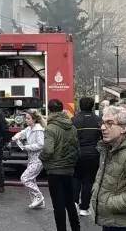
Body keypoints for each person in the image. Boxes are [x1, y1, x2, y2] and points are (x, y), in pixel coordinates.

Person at [41, 99, 81, 231]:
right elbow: (76, 147)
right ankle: (76, 228)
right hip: (69, 168)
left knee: (58, 205)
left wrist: (41, 158)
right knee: (70, 202)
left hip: (55, 170)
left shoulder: (50, 128)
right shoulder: (72, 127)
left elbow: (48, 150)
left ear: (49, 110)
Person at [72, 96, 102, 217]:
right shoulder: (99, 120)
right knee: (88, 181)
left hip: (76, 154)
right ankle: (84, 208)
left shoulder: (73, 120)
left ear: (79, 106)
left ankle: (73, 203)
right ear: (93, 106)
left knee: (75, 178)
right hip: (93, 154)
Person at [11, 109, 46, 209]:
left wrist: (27, 147)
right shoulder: (29, 128)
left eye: (28, 118)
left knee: (25, 178)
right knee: (31, 179)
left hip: (38, 159)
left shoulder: (38, 130)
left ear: (34, 119)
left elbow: (41, 145)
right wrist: (15, 137)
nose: (26, 120)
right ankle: (39, 202)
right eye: (25, 118)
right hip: (31, 158)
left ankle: (39, 197)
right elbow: (22, 133)